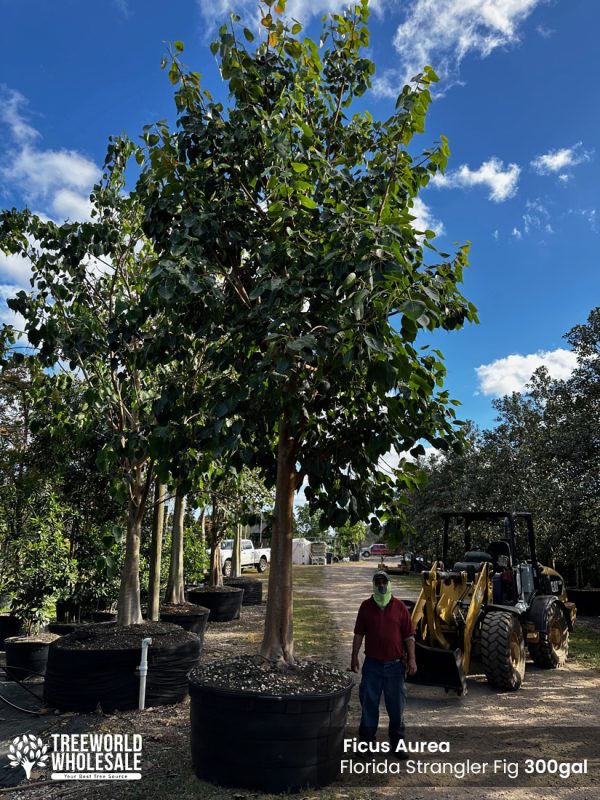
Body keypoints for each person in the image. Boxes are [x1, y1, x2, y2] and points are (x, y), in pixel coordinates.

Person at [350, 569, 417, 750]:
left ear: (389, 584)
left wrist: (412, 659)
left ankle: (397, 744)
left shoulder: (400, 607)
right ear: (373, 585)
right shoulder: (366, 606)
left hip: (395, 667)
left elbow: (409, 636)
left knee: (396, 709)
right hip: (372, 666)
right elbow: (358, 634)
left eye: (384, 582)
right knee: (369, 706)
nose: (381, 585)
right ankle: (366, 744)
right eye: (378, 582)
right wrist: (354, 656)